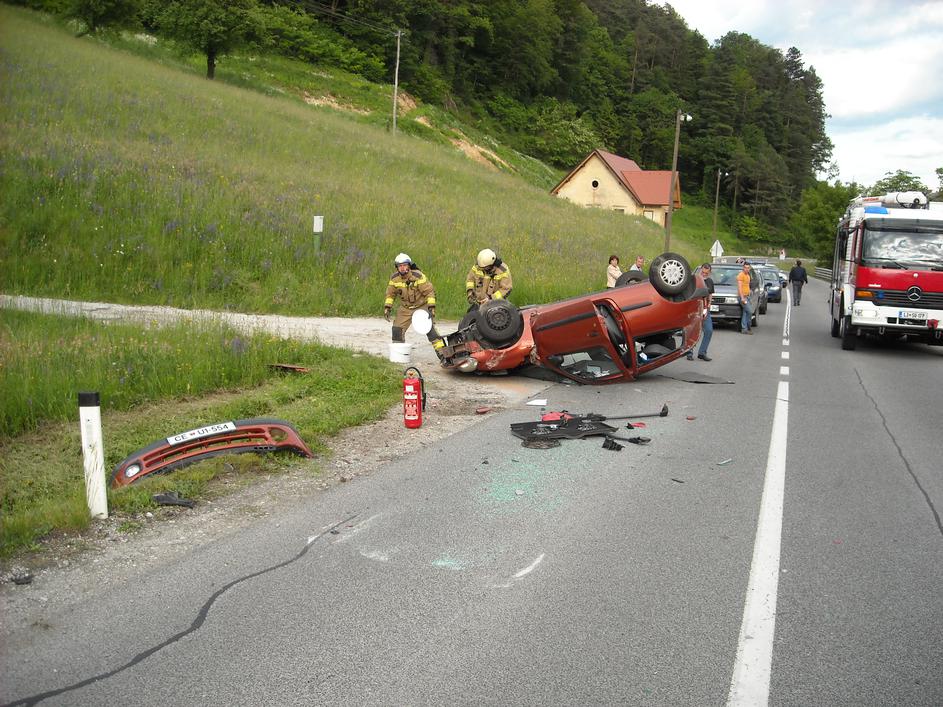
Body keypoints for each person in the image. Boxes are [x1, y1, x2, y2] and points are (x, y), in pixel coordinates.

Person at [383, 253, 444, 353]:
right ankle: (400, 354)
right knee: (397, 330)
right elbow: (390, 294)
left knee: (430, 331)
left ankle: (443, 354)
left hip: (421, 306)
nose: (402, 268)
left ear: (409, 265)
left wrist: (431, 307)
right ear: (397, 267)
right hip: (405, 308)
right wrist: (387, 308)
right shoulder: (394, 279)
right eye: (400, 266)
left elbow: (429, 292)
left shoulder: (418, 276)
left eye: (404, 265)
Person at [686, 263, 715, 360]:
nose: (704, 274)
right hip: (695, 309)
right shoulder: (694, 280)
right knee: (693, 330)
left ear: (709, 272)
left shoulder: (710, 281)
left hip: (705, 309)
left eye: (706, 273)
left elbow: (710, 294)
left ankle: (702, 352)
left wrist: (710, 303)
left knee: (709, 331)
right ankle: (689, 351)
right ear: (700, 270)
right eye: (703, 272)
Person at [736, 261, 754, 334]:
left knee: (745, 313)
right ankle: (748, 326)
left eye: (748, 268)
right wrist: (742, 298)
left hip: (748, 296)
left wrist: (749, 293)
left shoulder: (748, 276)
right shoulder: (741, 275)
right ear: (743, 268)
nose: (746, 269)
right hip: (743, 297)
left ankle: (744, 329)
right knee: (749, 311)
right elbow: (740, 287)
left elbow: (747, 286)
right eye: (745, 268)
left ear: (749, 268)